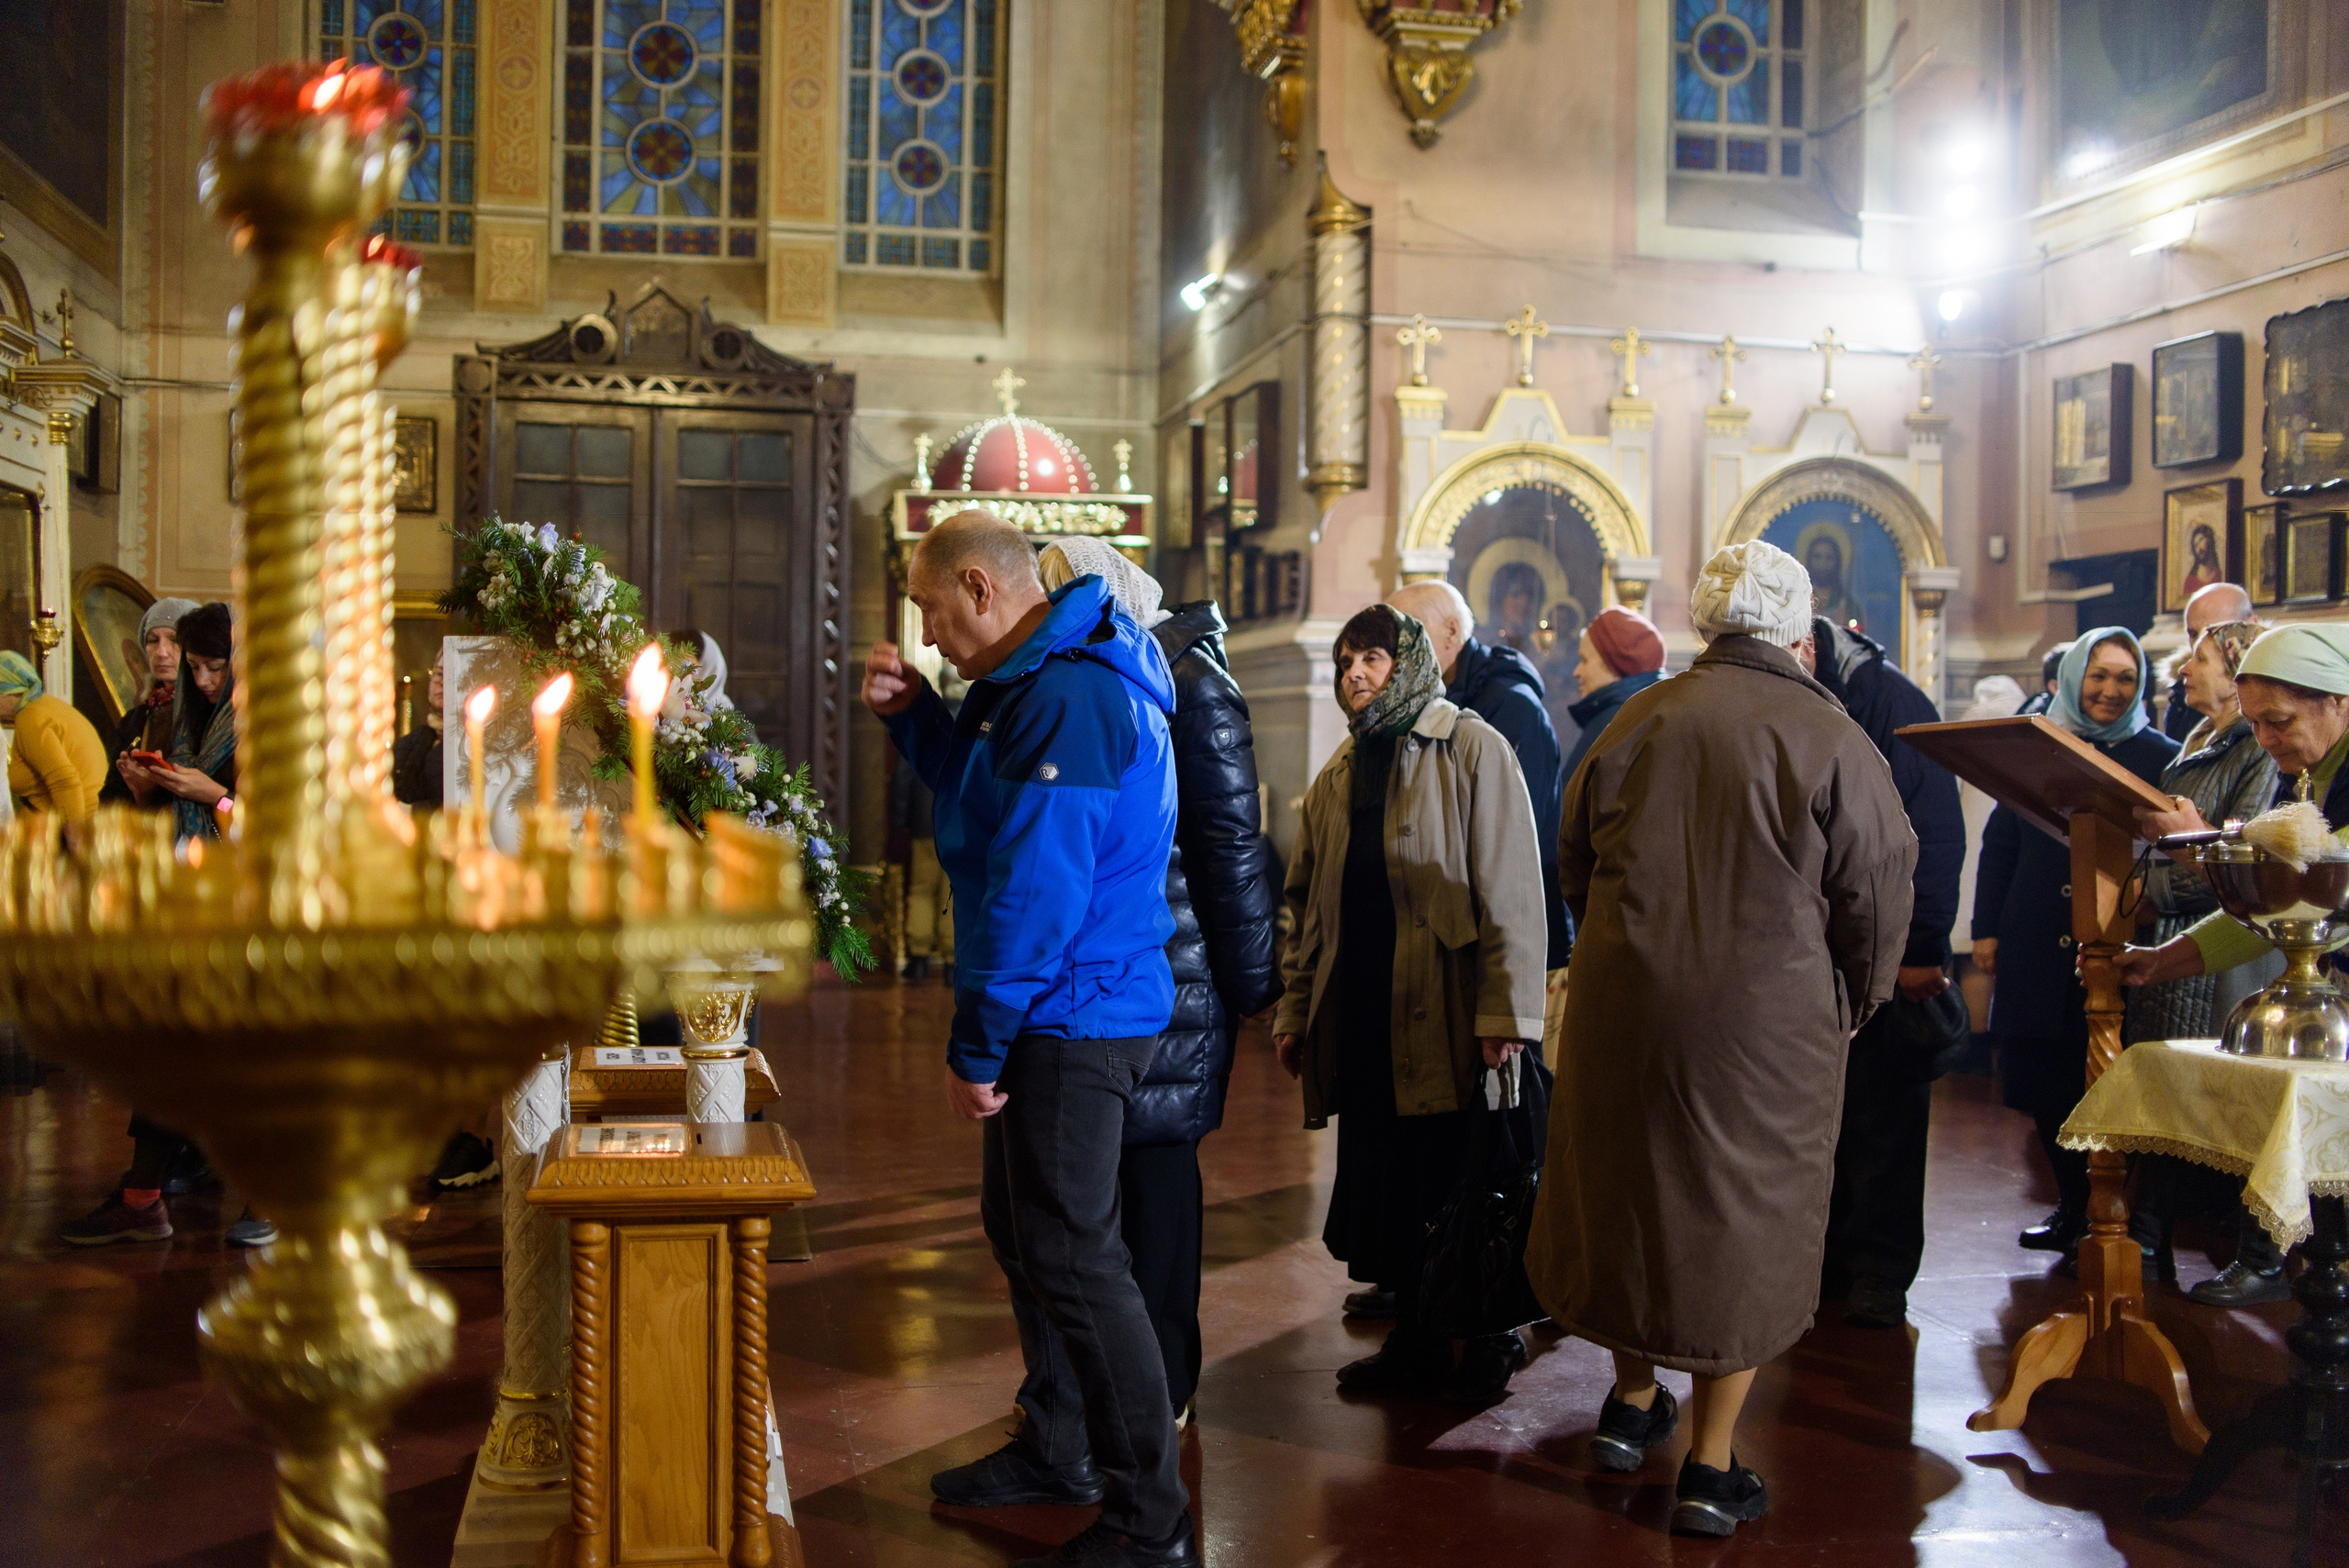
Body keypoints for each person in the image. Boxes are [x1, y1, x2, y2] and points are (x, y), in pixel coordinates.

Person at [1527, 539, 1916, 1539]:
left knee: (1626, 1193)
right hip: (1766, 1026)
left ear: (1707, 622)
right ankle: (1709, 1462)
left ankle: (1627, 1402)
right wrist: (1856, 996)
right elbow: (1875, 889)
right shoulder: (1828, 735)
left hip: (1626, 1006)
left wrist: (1627, 949)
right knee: (1737, 1220)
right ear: (1798, 633)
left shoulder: (1635, 716)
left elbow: (1573, 860)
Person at [864, 510, 1196, 1568]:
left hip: (1074, 1011)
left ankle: (1151, 1518)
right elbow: (983, 808)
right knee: (1031, 1237)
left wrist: (978, 1041)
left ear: (978, 586)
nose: (925, 634)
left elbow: (1036, 892)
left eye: (927, 611)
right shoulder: (1033, 681)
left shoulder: (1072, 694)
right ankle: (1058, 1445)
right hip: (1064, 1001)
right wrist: (919, 717)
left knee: (1079, 1258)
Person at [1272, 603, 1547, 1404]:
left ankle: (1490, 1335)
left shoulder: (1469, 748)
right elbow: (1308, 909)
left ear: (1412, 664)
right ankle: (1420, 1341)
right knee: (1392, 1185)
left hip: (1448, 1015)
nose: (1355, 673)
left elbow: (1512, 891)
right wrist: (1297, 1012)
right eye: (1346, 659)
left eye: (1374, 659)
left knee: (1463, 1176)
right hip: (1364, 1015)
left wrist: (1506, 1014)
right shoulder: (1339, 773)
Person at [1040, 537, 1281, 1425]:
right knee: (1110, 1185)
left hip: (1178, 966)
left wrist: (1254, 981)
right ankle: (1110, 1383)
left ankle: (1166, 1385)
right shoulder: (1113, 671)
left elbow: (1228, 844)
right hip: (1125, 962)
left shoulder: (1192, 681)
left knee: (1159, 1173)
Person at [2121, 622, 2349, 1306]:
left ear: (2337, 699)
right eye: (2255, 724)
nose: (2268, 740)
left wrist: (2203, 847)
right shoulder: (2307, 772)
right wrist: (2165, 960)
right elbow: (2281, 914)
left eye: (2278, 721)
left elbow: (2319, 878)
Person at [1378, 579, 1566, 1324]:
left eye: (1405, 635)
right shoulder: (1414, 714)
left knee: (1497, 1144)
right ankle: (1430, 1287)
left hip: (1487, 958)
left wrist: (1506, 998)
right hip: (1437, 958)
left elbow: (1513, 858)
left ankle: (1494, 1303)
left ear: (1449, 635)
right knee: (1433, 1147)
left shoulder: (1502, 712)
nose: (1389, 655)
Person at [1973, 628, 2176, 1260]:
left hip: (2116, 942)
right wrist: (1987, 927)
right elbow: (2001, 840)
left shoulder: (2163, 755)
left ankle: (2120, 1221)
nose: (2111, 689)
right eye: (2099, 675)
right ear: (2072, 678)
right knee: (2043, 1078)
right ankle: (2070, 1207)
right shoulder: (2040, 741)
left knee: (2112, 1084)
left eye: (2124, 677)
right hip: (2035, 931)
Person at [1803, 614, 1964, 1329]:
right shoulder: (1808, 693)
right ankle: (1832, 1261)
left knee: (1887, 1118)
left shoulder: (1891, 703)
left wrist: (1920, 947)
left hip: (1887, 949)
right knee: (1827, 1117)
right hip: (1821, 951)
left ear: (1807, 645)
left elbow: (1933, 829)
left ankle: (1879, 1270)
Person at [114, 603, 239, 841]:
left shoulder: (265, 725)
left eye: (215, 668)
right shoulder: (186, 721)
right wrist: (145, 791)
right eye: (193, 667)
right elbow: (163, 821)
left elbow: (274, 825)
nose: (202, 680)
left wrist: (215, 796)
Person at [101, 595, 201, 806]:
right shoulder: (135, 719)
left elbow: (227, 801)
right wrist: (137, 789)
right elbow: (112, 797)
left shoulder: (209, 712)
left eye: (175, 640)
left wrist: (152, 789)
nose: (162, 652)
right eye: (153, 640)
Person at [1562, 605, 1667, 784]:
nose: (1576, 672)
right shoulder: (1651, 711)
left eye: (1584, 660)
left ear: (1612, 666)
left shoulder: (1611, 723)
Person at [0, 650, 107, 819]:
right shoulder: (44, 705)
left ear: (6, 693)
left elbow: (64, 782)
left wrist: (75, 837)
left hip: (65, 827)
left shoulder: (30, 718)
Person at [2164, 582, 2255, 742]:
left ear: (2250, 626)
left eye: (2213, 630)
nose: (2201, 641)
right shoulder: (2181, 696)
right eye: (2193, 634)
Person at [391, 659, 445, 808]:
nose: (442, 682)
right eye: (439, 674)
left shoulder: (471, 743)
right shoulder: (413, 741)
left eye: (452, 675)